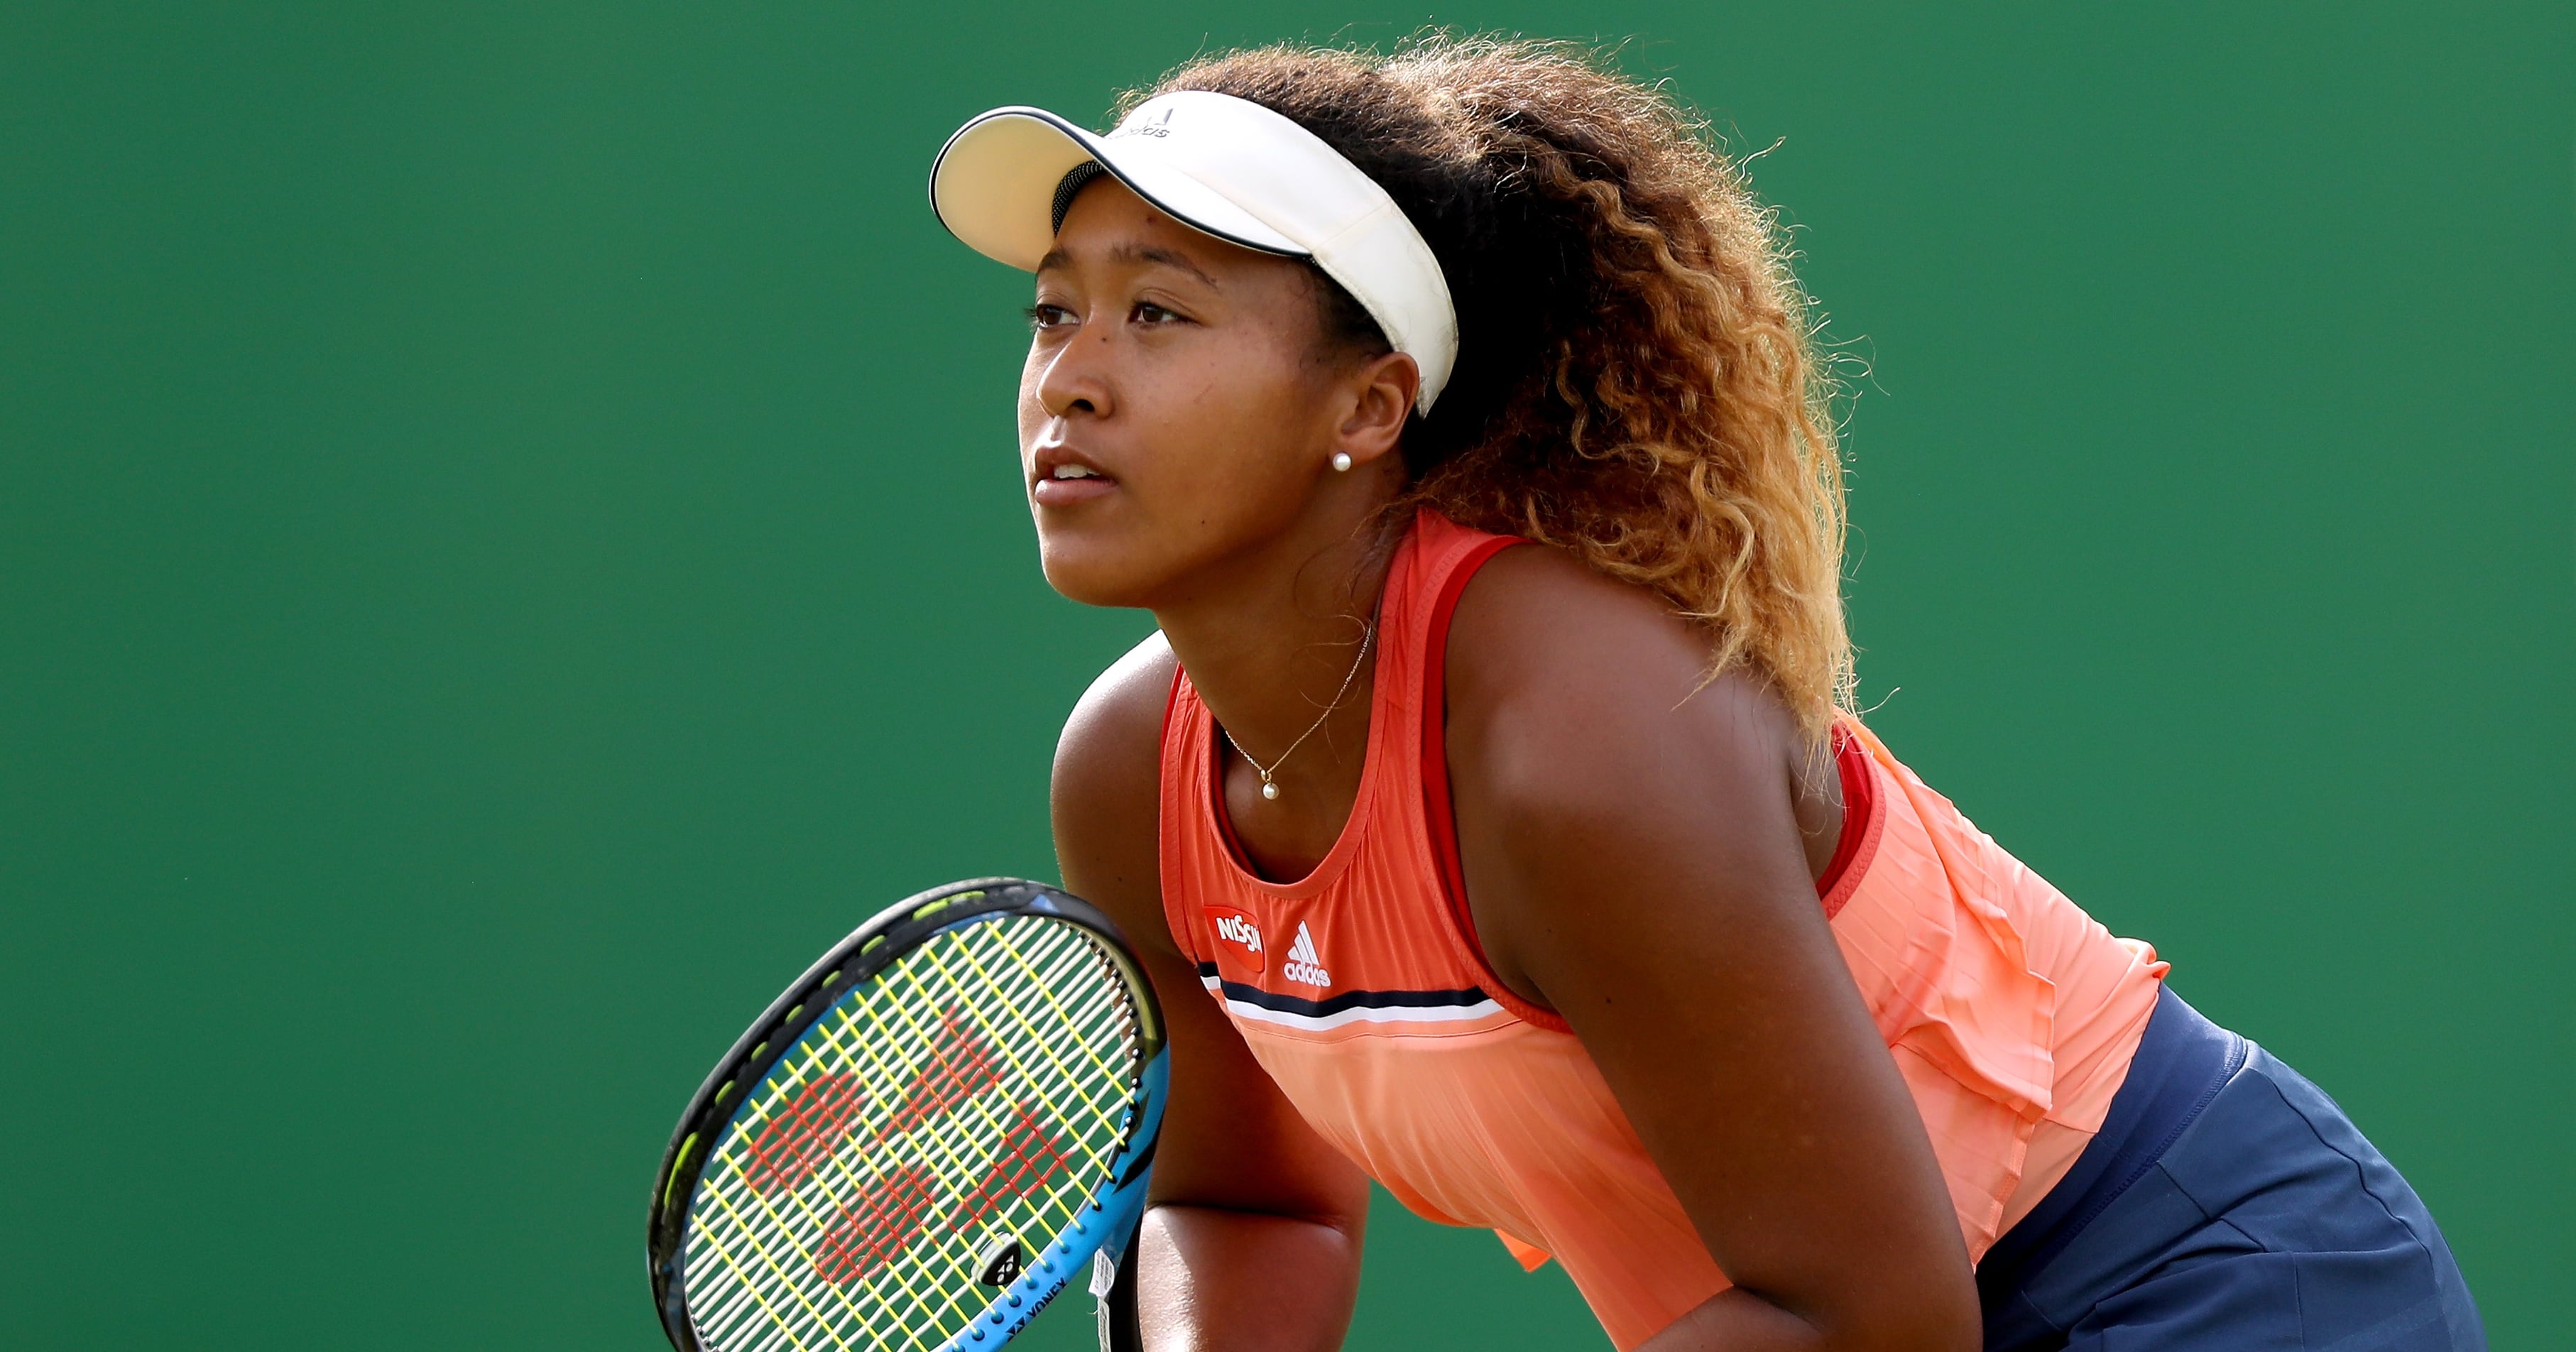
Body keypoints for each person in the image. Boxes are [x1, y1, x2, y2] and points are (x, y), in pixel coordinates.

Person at [926, 37, 2484, 1352]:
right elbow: (1244, 1205)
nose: (1070, 378)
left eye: (1159, 311)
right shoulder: (1127, 773)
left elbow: (1865, 1313)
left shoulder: (1573, 735)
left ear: (1368, 404)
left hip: (2207, 1282)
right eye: (1055, 310)